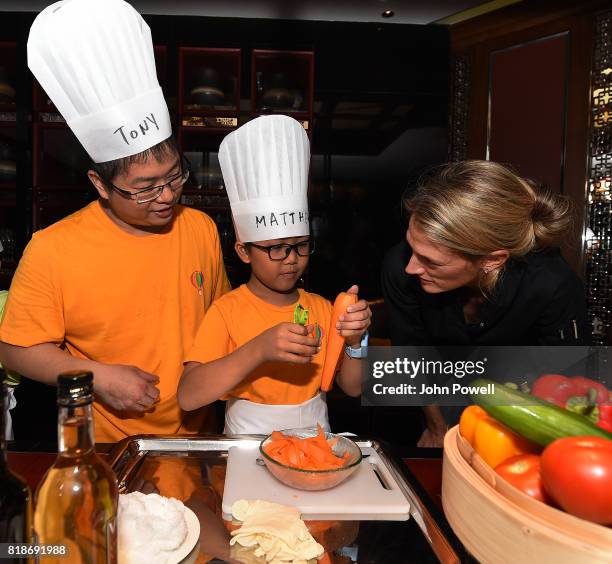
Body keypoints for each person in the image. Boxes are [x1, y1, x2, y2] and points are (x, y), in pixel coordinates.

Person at [0, 0, 230, 442]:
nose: (166, 196)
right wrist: (97, 376)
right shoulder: (54, 248)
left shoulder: (199, 227)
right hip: (107, 447)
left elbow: (219, 322)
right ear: (100, 184)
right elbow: (15, 348)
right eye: (144, 188)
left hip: (198, 438)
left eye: (174, 176)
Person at [178, 115, 371, 434]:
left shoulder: (321, 308)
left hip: (313, 438)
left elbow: (351, 387)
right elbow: (188, 396)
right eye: (276, 249)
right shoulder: (227, 311)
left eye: (300, 246)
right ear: (244, 252)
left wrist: (355, 341)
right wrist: (259, 349)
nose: (292, 260)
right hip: (245, 442)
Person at [381, 159, 590, 447]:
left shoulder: (552, 284)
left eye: (431, 261)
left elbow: (566, 382)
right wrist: (437, 427)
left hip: (523, 403)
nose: (411, 268)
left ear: (492, 260)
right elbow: (411, 352)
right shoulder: (399, 265)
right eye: (412, 247)